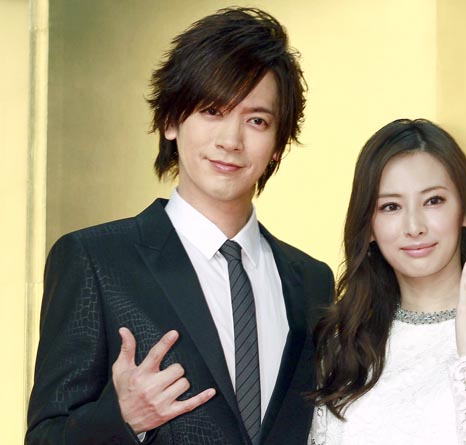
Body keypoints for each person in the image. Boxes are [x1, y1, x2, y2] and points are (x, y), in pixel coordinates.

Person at [26, 7, 333, 445]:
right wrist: (124, 419)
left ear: (278, 145)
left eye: (257, 120)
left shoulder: (313, 282)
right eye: (212, 111)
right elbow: (45, 437)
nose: (231, 140)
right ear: (171, 121)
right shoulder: (95, 261)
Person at [308, 119, 466, 445]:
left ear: (465, 211)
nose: (414, 226)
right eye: (390, 206)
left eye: (433, 201)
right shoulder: (340, 345)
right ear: (369, 227)